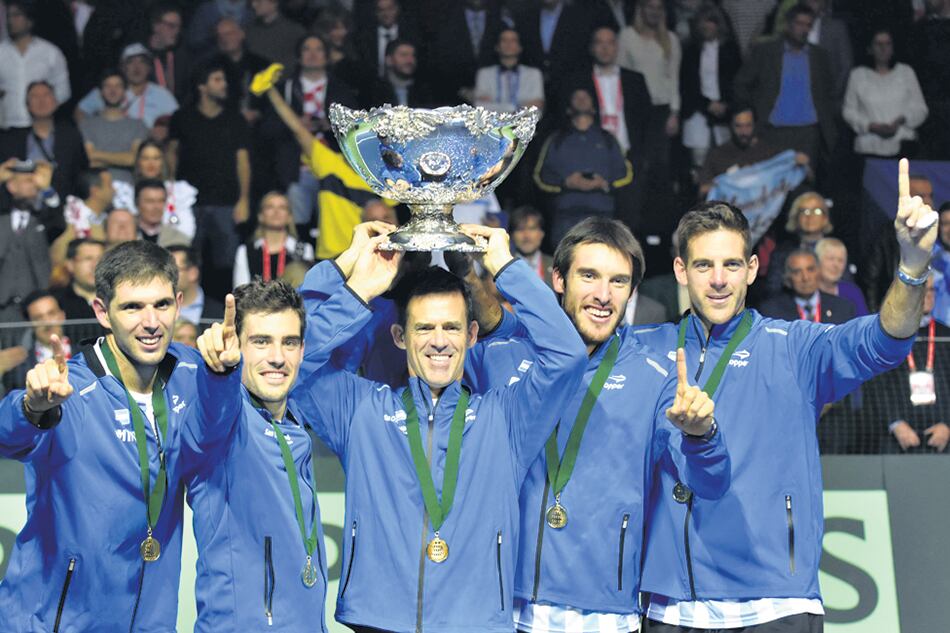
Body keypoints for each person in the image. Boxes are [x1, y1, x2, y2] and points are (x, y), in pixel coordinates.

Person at [631, 158, 936, 632]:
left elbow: (886, 341)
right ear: (680, 270)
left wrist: (913, 265)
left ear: (752, 269)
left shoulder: (795, 347)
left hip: (774, 604)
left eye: (732, 264)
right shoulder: (645, 350)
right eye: (704, 265)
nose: (718, 279)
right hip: (674, 607)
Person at [294, 223, 588, 632]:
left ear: (472, 335)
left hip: (475, 623)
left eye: (451, 327)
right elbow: (291, 358)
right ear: (399, 336)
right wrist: (350, 277)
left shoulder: (507, 419)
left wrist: (505, 267)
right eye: (424, 328)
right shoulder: (360, 412)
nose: (439, 341)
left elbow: (568, 355)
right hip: (376, 621)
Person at [479, 217, 727, 633]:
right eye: (589, 276)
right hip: (505, 612)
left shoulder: (656, 375)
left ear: (632, 292)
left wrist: (704, 437)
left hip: (607, 618)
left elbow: (710, 485)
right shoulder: (501, 356)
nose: (603, 295)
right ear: (558, 279)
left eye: (618, 281)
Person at [0, 240, 229, 631]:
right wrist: (31, 408)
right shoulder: (69, 388)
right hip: (53, 620)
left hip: (150, 619)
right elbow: (8, 434)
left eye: (161, 304)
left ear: (178, 303)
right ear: (102, 312)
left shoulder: (195, 375)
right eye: (132, 307)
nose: (151, 322)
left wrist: (227, 377)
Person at [187, 281, 333, 631]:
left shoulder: (295, 426)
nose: (278, 357)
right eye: (261, 341)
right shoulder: (227, 423)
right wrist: (220, 372)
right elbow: (213, 409)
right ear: (236, 346)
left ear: (302, 350)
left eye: (289, 342)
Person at [168, 62, 251, 301]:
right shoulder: (182, 117)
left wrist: (244, 199)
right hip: (189, 204)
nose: (224, 85)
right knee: (189, 262)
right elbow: (171, 154)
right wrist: (171, 192)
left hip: (226, 202)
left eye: (223, 80)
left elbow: (243, 162)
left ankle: (225, 308)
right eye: (217, 80)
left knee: (227, 264)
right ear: (202, 86)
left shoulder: (235, 119)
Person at [257, 34, 358, 228]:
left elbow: (355, 128)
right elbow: (266, 130)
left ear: (327, 56)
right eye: (306, 49)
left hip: (334, 168)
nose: (312, 54)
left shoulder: (341, 89)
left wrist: (330, 126)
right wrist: (294, 125)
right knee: (297, 225)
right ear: (298, 56)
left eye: (318, 49)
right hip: (297, 169)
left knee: (333, 225)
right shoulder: (285, 89)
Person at [733, 4, 836, 171]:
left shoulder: (819, 56)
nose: (804, 29)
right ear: (788, 24)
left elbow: (829, 92)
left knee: (804, 183)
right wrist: (753, 115)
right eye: (799, 23)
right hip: (772, 132)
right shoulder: (766, 52)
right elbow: (741, 84)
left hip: (808, 133)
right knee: (771, 181)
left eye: (808, 25)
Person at [533, 88, 632, 245]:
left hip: (602, 217)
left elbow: (626, 174)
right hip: (565, 217)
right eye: (576, 97)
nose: (581, 100)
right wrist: (565, 183)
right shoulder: (556, 140)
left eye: (585, 97)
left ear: (594, 107)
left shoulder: (608, 139)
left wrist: (604, 183)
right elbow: (540, 176)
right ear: (568, 108)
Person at [873, 275, 950, 454]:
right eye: (923, 290)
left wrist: (947, 424)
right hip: (898, 438)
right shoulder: (888, 335)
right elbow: (878, 385)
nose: (928, 295)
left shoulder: (946, 335)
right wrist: (896, 423)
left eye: (932, 290)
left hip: (943, 436)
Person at [618, 0, 682, 195]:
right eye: (650, 7)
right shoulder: (627, 37)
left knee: (660, 164)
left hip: (661, 110)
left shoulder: (670, 39)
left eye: (659, 7)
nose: (654, 12)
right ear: (641, 9)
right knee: (637, 162)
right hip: (635, 110)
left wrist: (674, 112)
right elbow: (621, 75)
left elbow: (674, 78)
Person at [842, 28, 928, 158]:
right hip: (868, 148)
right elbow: (849, 111)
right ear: (870, 48)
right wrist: (870, 126)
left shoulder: (906, 73)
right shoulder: (858, 75)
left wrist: (901, 120)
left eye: (888, 44)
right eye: (878, 44)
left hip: (903, 147)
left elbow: (921, 109)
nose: (883, 48)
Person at [678, 4, 742, 173]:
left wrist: (726, 104)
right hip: (697, 110)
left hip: (725, 112)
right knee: (699, 159)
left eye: (711, 21)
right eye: (703, 21)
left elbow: (737, 81)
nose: (707, 26)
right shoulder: (690, 50)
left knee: (727, 161)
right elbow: (687, 84)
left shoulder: (730, 50)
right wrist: (706, 104)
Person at [696, 105, 808, 198]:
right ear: (730, 126)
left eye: (748, 125)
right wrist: (724, 185)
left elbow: (804, 178)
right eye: (738, 126)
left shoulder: (770, 152)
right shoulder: (718, 155)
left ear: (755, 125)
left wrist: (802, 163)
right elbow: (702, 190)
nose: (744, 132)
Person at [0, 81, 88, 199]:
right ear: (27, 105)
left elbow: (79, 173)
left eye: (46, 95)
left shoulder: (71, 136)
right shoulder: (10, 139)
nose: (41, 101)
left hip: (60, 202)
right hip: (19, 202)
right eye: (34, 96)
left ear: (56, 102)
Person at [860, 173, 934, 311]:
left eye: (930, 196)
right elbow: (870, 280)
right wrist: (876, 315)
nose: (928, 201)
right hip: (896, 313)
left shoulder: (941, 232)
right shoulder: (886, 236)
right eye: (921, 196)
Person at [76, 43, 179, 133]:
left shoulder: (162, 95)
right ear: (122, 67)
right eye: (130, 62)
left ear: (149, 68)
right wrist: (91, 135)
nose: (137, 67)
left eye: (142, 62)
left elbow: (178, 121)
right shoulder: (110, 90)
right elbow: (79, 112)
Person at [0, 160, 57, 323]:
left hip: (34, 309)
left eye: (36, 182)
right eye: (28, 181)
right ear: (12, 186)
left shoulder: (43, 219)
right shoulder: (2, 219)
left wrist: (47, 189)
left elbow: (58, 222)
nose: (34, 186)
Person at [0, 0, 70, 129]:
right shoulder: (1, 52)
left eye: (16, 15)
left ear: (30, 21)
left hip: (40, 127)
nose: (10, 21)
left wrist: (43, 108)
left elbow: (63, 90)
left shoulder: (50, 52)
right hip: (7, 126)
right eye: (8, 16)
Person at [112, 139, 198, 241]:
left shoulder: (179, 192)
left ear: (163, 162)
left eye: (156, 158)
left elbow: (186, 230)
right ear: (138, 162)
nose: (151, 163)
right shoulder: (123, 192)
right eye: (145, 158)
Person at [78, 69, 149, 186]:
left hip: (128, 188)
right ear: (100, 92)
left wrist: (97, 155)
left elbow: (133, 159)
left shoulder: (138, 125)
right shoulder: (86, 124)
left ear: (125, 92)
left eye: (118, 86)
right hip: (95, 188)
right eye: (108, 86)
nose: (113, 90)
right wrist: (122, 158)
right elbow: (89, 158)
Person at [426, 0, 503, 104]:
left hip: (495, 99)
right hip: (450, 98)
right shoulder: (441, 19)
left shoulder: (502, 19)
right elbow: (436, 58)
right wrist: (461, 90)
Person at [233, 191, 315, 287]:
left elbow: (308, 288)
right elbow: (240, 289)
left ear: (289, 217)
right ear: (260, 216)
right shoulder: (245, 251)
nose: (276, 212)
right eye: (270, 207)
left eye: (282, 207)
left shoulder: (304, 249)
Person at [763, 191, 833, 298]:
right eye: (804, 211)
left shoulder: (836, 250)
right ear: (795, 217)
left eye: (817, 211)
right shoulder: (782, 253)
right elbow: (772, 291)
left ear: (825, 218)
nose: (810, 216)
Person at [759, 249, 857, 323]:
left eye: (810, 270)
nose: (805, 278)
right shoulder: (771, 312)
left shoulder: (844, 308)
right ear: (788, 278)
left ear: (819, 272)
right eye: (797, 272)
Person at [207, 16, 270, 119]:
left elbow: (270, 101)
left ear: (241, 34)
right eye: (219, 36)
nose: (224, 39)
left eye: (228, 34)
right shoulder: (210, 68)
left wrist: (258, 113)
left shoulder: (261, 65)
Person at [473, 28, 545, 113]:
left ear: (520, 47)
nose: (508, 44)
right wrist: (516, 107)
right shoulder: (484, 74)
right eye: (504, 40)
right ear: (497, 47)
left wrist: (496, 106)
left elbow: (537, 106)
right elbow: (480, 106)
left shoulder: (533, 74)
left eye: (513, 40)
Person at [50, 169, 112, 266]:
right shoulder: (68, 218)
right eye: (109, 185)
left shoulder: (109, 220)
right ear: (95, 191)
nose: (114, 190)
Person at [365, 39, 432, 108]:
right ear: (389, 60)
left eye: (413, 55)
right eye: (404, 55)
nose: (410, 60)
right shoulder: (374, 91)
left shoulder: (424, 91)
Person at [167, 244, 224, 326]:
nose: (166, 275)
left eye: (173, 270)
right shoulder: (155, 309)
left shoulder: (219, 313)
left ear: (193, 273)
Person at [145, 3, 191, 101]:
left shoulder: (182, 56)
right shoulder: (140, 57)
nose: (176, 31)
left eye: (179, 27)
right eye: (171, 26)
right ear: (155, 26)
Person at [52, 238, 105, 321]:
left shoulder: (115, 298)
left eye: (100, 259)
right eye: (88, 258)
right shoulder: (55, 302)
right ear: (70, 265)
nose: (95, 265)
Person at [815, 237, 869, 316]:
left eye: (840, 260)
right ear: (816, 261)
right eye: (831, 259)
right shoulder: (807, 292)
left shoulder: (852, 292)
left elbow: (863, 322)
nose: (836, 265)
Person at [245, 0, 305, 69]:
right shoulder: (249, 31)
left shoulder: (295, 32)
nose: (253, 5)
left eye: (259, 1)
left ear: (274, 2)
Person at [133, 179, 191, 248]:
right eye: (150, 201)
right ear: (137, 203)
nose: (156, 207)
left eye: (161, 201)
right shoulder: (126, 234)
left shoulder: (179, 239)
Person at [509, 205, 553, 286]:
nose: (526, 236)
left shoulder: (555, 266)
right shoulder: (503, 267)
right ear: (511, 235)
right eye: (520, 229)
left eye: (532, 228)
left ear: (542, 233)